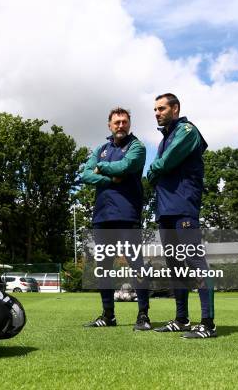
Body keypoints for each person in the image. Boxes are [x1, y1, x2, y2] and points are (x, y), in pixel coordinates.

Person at [147, 93, 216, 338]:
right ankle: (181, 319)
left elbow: (162, 165)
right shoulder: (164, 139)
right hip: (164, 211)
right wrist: (156, 170)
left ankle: (208, 323)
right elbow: (154, 172)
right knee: (175, 267)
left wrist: (156, 169)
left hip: (183, 207)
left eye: (162, 108)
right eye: (155, 109)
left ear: (175, 108)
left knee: (195, 264)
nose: (157, 113)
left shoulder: (187, 131)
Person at [81, 107, 151, 330]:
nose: (120, 125)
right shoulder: (101, 148)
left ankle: (143, 316)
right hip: (102, 216)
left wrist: (101, 169)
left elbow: (127, 165)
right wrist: (111, 179)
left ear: (129, 124)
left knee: (136, 265)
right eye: (116, 122)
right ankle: (108, 315)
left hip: (127, 214)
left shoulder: (137, 146)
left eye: (124, 122)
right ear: (109, 125)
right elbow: (85, 174)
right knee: (104, 267)